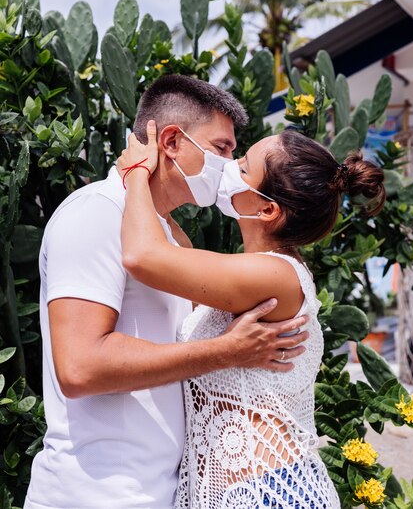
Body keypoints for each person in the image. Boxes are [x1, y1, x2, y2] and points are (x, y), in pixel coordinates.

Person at [24, 75, 309, 509]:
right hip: (95, 496)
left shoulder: (166, 242)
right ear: (172, 142)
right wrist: (225, 350)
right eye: (222, 149)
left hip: (158, 494)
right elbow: (80, 367)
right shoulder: (97, 213)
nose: (230, 168)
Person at [117, 121, 386, 509]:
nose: (227, 168)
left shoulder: (275, 275)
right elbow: (173, 249)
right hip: (246, 490)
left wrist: (136, 172)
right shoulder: (255, 272)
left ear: (267, 208)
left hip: (270, 493)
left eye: (242, 166)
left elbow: (143, 256)